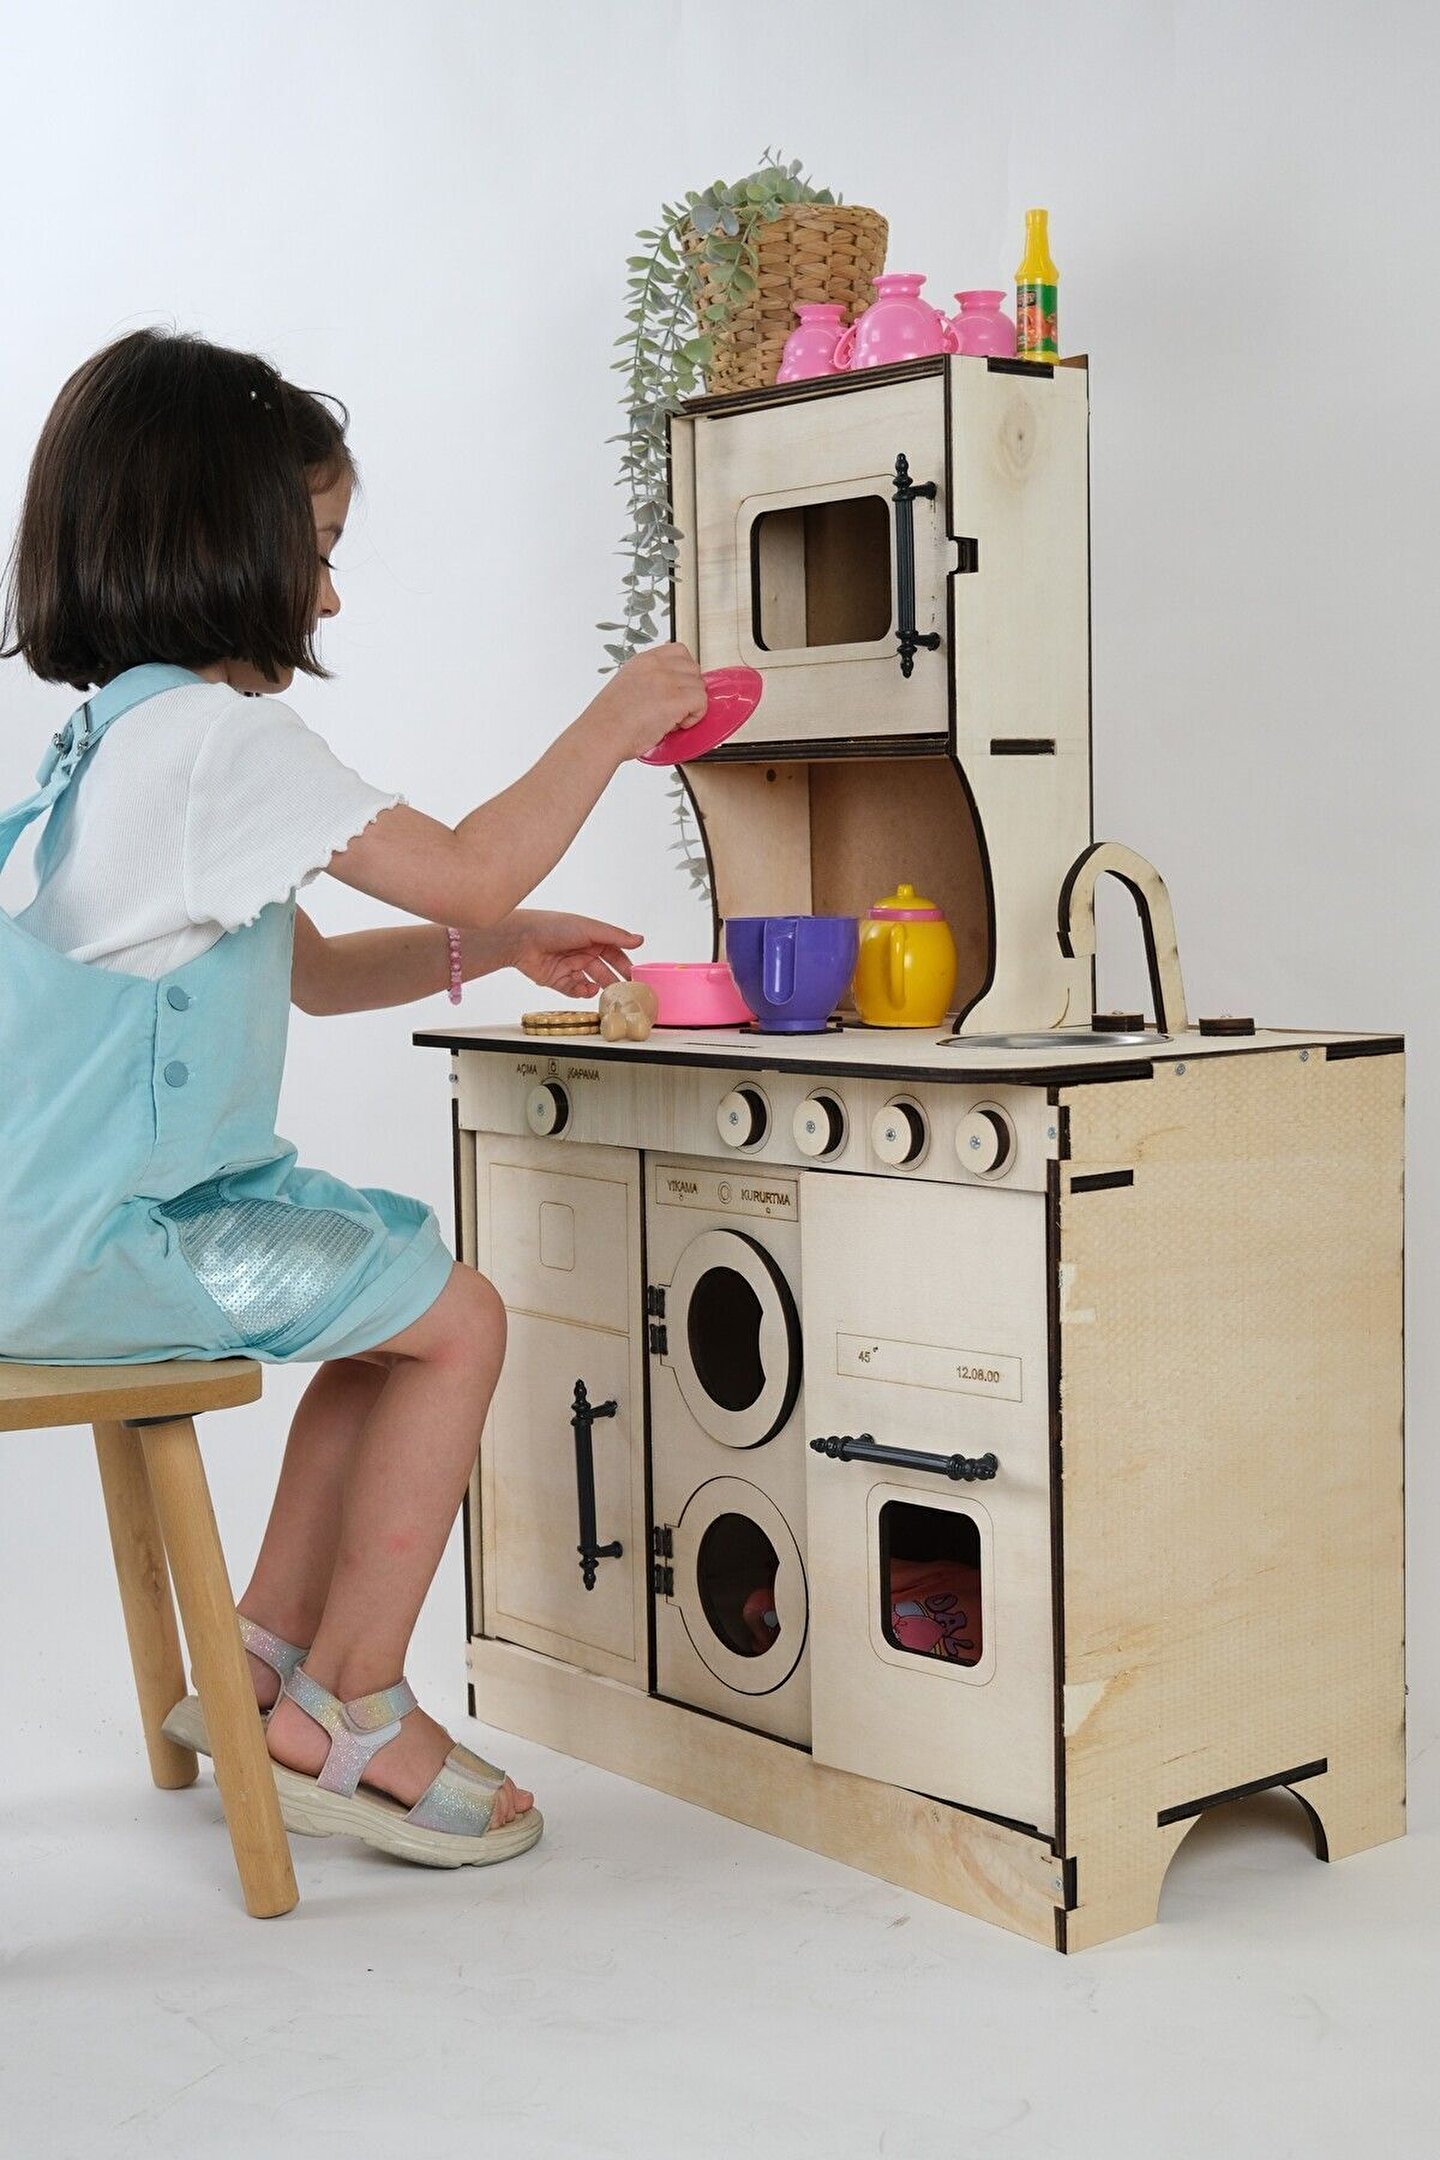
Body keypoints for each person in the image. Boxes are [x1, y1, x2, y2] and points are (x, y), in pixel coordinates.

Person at [0, 327, 707, 1866]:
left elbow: (309, 973)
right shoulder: (222, 742)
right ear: (222, 537)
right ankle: (359, 1703)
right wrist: (614, 722)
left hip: (46, 1235)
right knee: (462, 1319)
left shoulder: (113, 741)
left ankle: (262, 1654)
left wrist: (497, 945)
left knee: (389, 1309)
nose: (327, 596)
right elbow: (467, 862)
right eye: (316, 551)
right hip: (123, 1245)